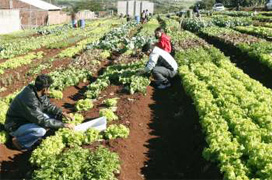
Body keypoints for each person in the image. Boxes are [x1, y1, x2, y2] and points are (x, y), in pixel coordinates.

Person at [5, 74, 75, 150]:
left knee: (53, 117)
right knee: (40, 131)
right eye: (49, 88)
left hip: (26, 120)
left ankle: (31, 138)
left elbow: (48, 105)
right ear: (45, 89)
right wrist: (64, 125)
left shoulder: (37, 91)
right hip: (15, 126)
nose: (49, 90)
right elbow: (41, 120)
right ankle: (20, 142)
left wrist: (62, 113)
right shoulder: (29, 99)